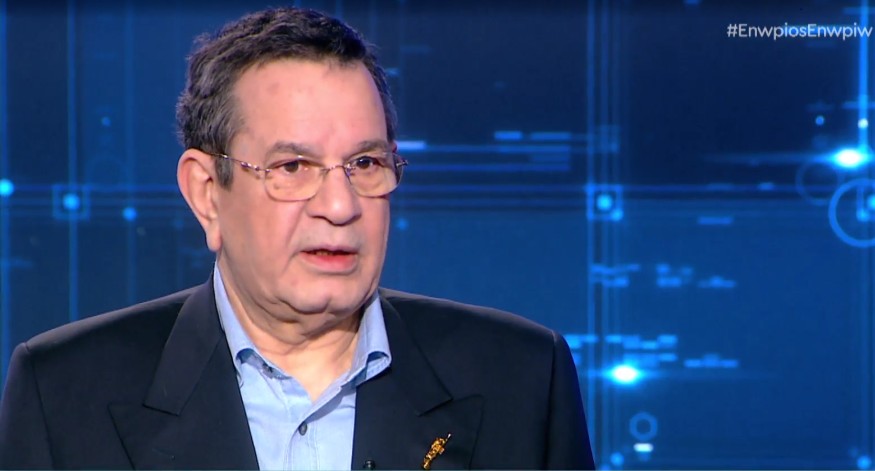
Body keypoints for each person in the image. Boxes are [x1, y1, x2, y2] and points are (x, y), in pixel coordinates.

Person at [0, 7, 595, 470]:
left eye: (365, 163)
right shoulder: (63, 393)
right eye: (292, 167)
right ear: (207, 192)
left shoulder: (521, 379)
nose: (340, 206)